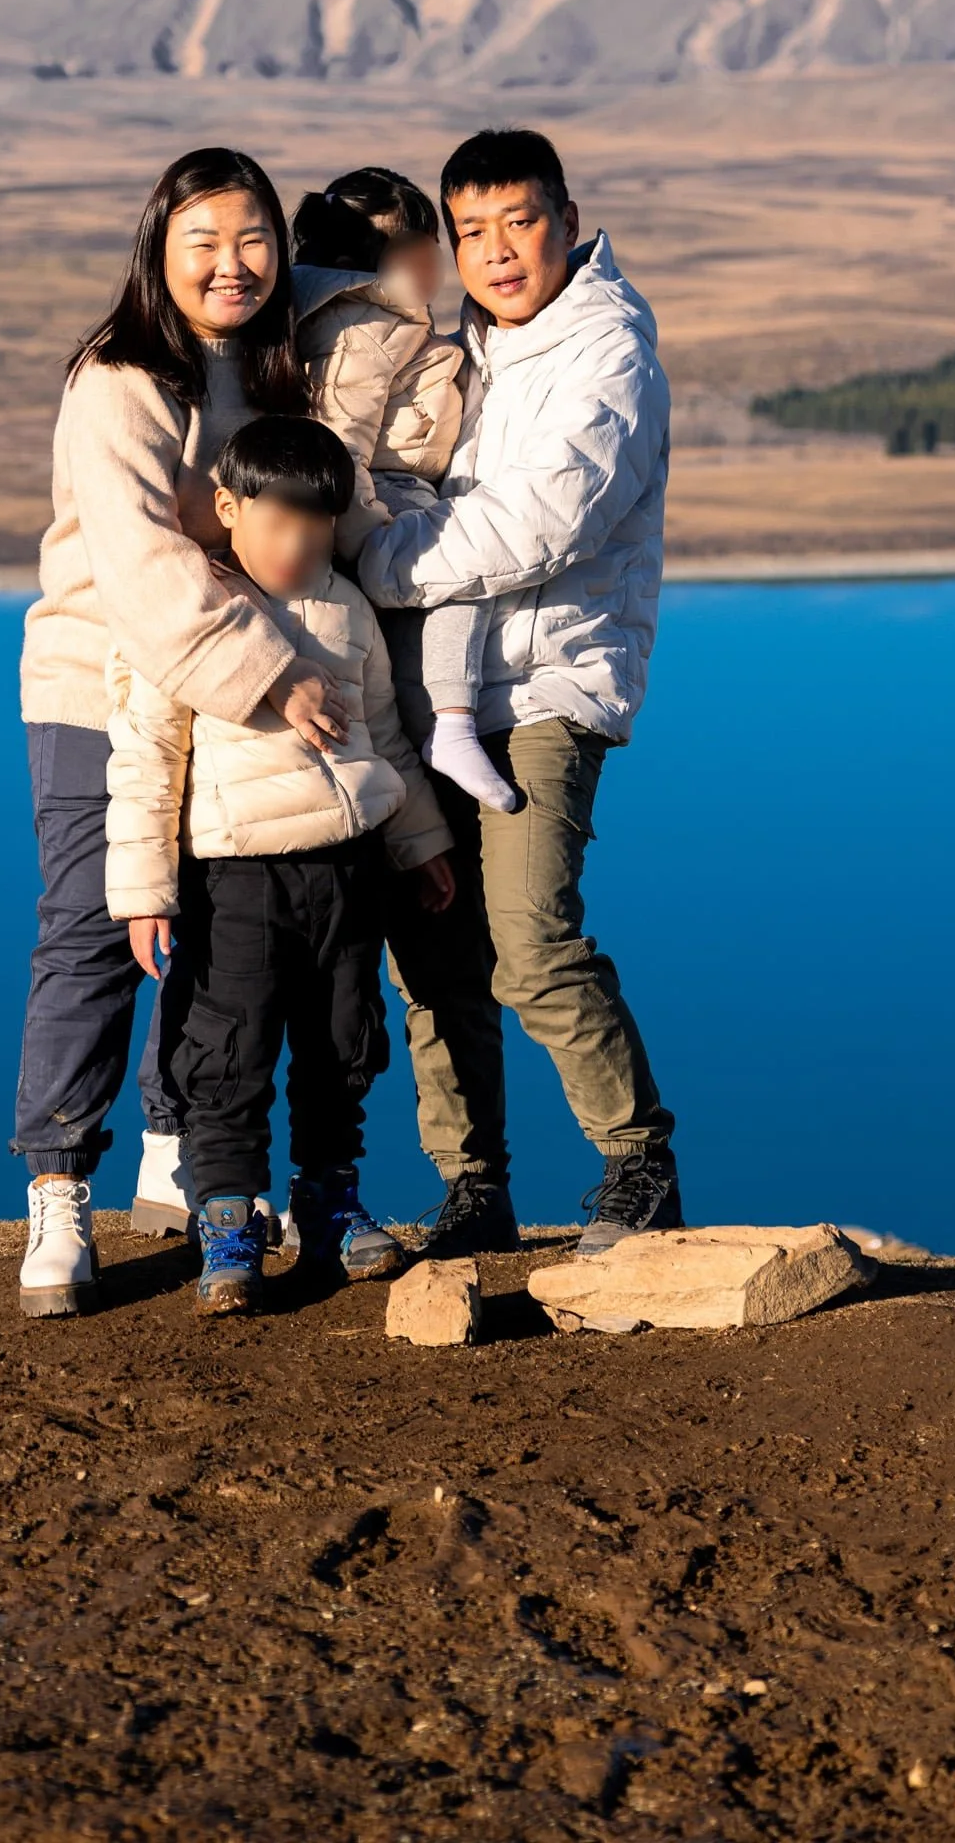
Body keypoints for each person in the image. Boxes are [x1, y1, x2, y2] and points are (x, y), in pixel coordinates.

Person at [12, 147, 352, 1318]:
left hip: (211, 693)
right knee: (92, 930)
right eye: (200, 240)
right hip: (94, 684)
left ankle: (174, 1145)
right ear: (157, 249)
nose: (230, 263)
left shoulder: (269, 367)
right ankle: (57, 1186)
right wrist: (270, 676)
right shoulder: (120, 379)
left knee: (207, 927)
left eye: (252, 238)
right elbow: (145, 563)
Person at [358, 126, 681, 1262]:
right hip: (440, 692)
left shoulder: (607, 351)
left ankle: (636, 1163)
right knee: (436, 958)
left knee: (530, 940)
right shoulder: (469, 350)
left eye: (519, 222)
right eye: (471, 232)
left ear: (564, 217)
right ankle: (472, 1185)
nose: (497, 253)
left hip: (550, 686)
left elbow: (546, 522)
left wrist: (381, 564)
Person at [106, 417, 455, 1315]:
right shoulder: (191, 619)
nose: (300, 543)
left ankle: (329, 1202)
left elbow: (385, 738)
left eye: (319, 525)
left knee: (344, 1044)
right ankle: (227, 1222)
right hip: (235, 883)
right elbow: (147, 763)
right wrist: (144, 895)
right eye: (279, 521)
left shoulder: (348, 611)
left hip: (348, 871)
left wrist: (420, 845)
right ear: (227, 508)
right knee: (228, 1050)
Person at [290, 168, 519, 814]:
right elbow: (340, 444)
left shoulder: (374, 319)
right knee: (462, 565)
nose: (439, 265)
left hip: (384, 487)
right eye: (427, 252)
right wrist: (376, 543)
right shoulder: (365, 330)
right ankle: (451, 721)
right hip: (381, 493)